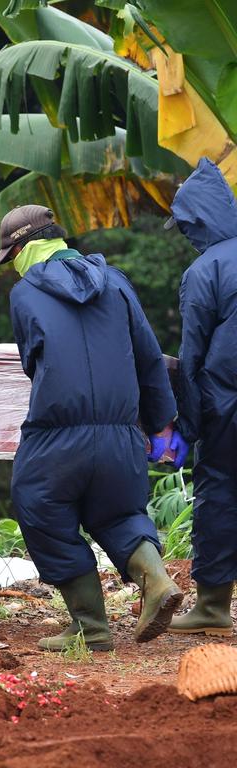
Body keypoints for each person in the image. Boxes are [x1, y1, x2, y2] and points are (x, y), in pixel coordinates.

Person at [0, 205, 186, 651]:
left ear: (22, 249)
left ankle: (91, 626)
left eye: (12, 258)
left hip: (57, 434)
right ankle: (156, 582)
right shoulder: (116, 282)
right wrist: (162, 424)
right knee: (118, 511)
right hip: (121, 434)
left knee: (38, 503)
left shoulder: (24, 295)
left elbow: (32, 362)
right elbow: (148, 356)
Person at [167, 158, 237, 636]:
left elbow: (191, 359)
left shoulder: (205, 270)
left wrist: (185, 428)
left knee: (219, 496)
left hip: (226, 407)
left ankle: (212, 607)